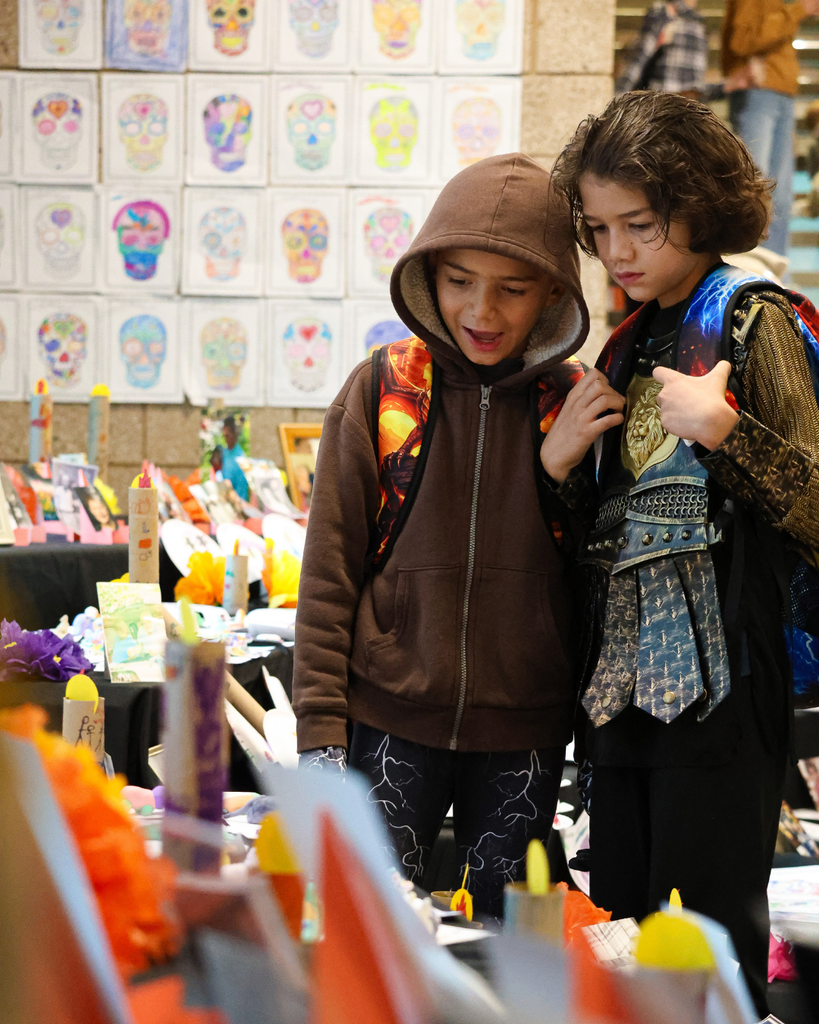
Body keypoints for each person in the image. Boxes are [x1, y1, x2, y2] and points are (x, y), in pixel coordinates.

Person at [547, 90, 819, 1014]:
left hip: (725, 690)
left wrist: (731, 435)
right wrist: (556, 468)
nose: (616, 251)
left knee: (710, 944)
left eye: (640, 224)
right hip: (618, 694)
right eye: (598, 229)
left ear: (698, 206)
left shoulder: (754, 319)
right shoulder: (624, 342)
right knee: (620, 931)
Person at [292, 154, 590, 916]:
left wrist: (556, 476)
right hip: (389, 719)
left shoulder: (576, 407)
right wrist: (321, 734)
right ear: (428, 275)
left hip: (523, 732)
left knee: (507, 945)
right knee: (374, 934)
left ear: (554, 291)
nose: (481, 310)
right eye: (459, 280)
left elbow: (598, 584)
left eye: (512, 288)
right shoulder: (382, 389)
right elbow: (328, 574)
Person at [722, 0, 819, 257]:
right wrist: (799, 10)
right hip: (759, 92)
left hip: (779, 92)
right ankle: (751, 275)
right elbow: (742, 41)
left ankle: (776, 280)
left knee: (780, 195)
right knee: (755, 191)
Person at [616, 0, 707, 98]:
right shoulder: (666, 15)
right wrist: (619, 94)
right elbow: (639, 59)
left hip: (680, 101)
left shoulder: (695, 21)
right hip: (666, 101)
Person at [218, 415, 249, 501]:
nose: (226, 439)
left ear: (234, 435)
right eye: (225, 436)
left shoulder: (241, 459)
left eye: (228, 436)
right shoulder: (224, 453)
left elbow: (241, 490)